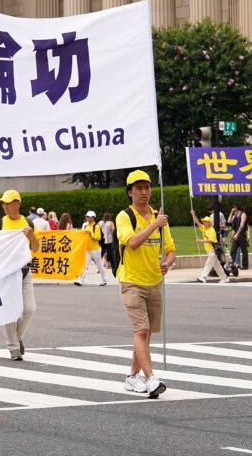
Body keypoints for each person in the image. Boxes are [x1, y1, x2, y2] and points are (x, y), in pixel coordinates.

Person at [115, 170, 174, 398]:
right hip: (131, 281)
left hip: (154, 281)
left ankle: (132, 376)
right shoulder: (124, 217)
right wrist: (154, 223)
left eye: (147, 187)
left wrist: (167, 264)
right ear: (130, 192)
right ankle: (151, 379)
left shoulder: (159, 219)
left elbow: (170, 250)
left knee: (146, 334)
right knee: (141, 330)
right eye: (138, 188)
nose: (144, 192)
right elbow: (132, 243)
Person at [0, 189, 39, 360]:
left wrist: (31, 235)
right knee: (9, 311)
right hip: (6, 273)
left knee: (30, 308)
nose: (5, 206)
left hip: (24, 270)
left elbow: (35, 248)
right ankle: (13, 348)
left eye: (8, 203)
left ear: (17, 204)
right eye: (3, 203)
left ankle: (17, 336)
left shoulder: (28, 223)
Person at [191, 208, 229, 284]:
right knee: (216, 266)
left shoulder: (212, 230)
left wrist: (200, 241)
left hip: (213, 250)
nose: (203, 222)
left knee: (208, 263)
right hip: (209, 250)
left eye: (205, 221)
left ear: (209, 223)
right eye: (203, 221)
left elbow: (211, 240)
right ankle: (224, 278)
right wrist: (193, 214)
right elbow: (197, 223)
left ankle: (203, 277)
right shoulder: (204, 228)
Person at [75, 211, 108, 286]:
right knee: (84, 265)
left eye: (90, 217)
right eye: (87, 217)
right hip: (87, 249)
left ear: (93, 218)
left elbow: (98, 238)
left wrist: (91, 234)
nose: (88, 218)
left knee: (99, 265)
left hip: (95, 249)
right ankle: (80, 280)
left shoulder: (96, 226)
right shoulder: (85, 225)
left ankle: (104, 280)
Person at [227, 204, 249, 272]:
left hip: (242, 234)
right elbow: (229, 221)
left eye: (234, 207)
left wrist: (237, 234)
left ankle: (245, 265)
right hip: (235, 235)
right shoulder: (235, 216)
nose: (233, 208)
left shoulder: (243, 214)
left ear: (237, 207)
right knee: (233, 250)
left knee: (244, 250)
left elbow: (242, 225)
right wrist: (231, 212)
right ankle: (231, 265)